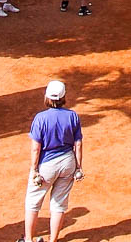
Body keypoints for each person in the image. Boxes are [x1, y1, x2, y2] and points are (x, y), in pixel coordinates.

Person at [24, 79, 84, 242]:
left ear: (47, 97)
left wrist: (35, 169)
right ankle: (53, 240)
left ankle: (29, 240)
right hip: (68, 162)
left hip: (46, 165)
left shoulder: (40, 118)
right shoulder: (73, 116)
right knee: (59, 204)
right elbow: (78, 143)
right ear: (64, 97)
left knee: (33, 202)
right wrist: (78, 167)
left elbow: (36, 148)